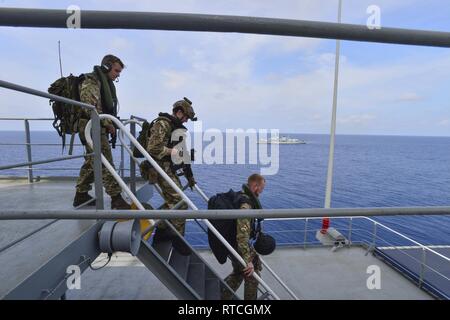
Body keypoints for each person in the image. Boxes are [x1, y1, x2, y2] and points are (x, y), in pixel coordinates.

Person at [72, 54, 130, 209]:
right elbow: (89, 107)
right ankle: (116, 198)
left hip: (97, 126)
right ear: (107, 67)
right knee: (105, 161)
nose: (118, 75)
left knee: (92, 161)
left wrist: (109, 123)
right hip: (90, 127)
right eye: (116, 71)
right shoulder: (91, 81)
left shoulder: (105, 84)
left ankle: (81, 194)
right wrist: (107, 123)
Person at [145, 98, 197, 252]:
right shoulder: (163, 124)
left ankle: (161, 232)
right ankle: (178, 239)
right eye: (186, 117)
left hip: (167, 168)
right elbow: (153, 148)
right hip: (158, 167)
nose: (186, 121)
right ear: (178, 112)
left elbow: (184, 156)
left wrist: (190, 177)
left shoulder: (177, 128)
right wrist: (173, 152)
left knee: (173, 202)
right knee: (180, 202)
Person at [222, 174, 266, 300]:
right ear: (256, 187)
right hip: (238, 247)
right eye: (262, 188)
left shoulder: (240, 196)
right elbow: (242, 236)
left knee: (238, 274)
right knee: (252, 276)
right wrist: (248, 261)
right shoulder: (246, 206)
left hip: (233, 244)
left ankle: (221, 296)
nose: (261, 191)